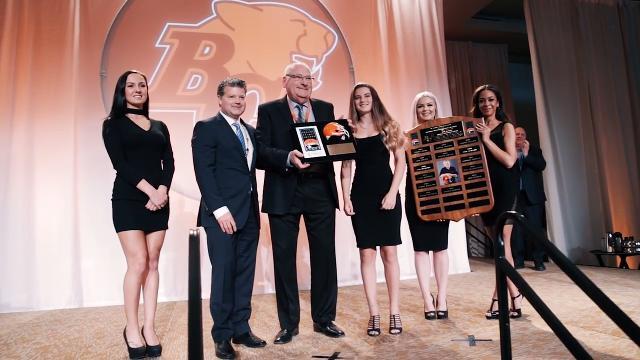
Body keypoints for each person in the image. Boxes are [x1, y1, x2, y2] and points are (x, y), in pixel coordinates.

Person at [255, 62, 344, 344]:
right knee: (284, 259)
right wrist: (287, 157)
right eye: (299, 78)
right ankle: (288, 324)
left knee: (325, 257)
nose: (305, 82)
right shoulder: (269, 110)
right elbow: (260, 152)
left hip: (320, 189)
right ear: (285, 81)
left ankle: (324, 319)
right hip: (284, 189)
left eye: (309, 78)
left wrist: (343, 136)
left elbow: (335, 148)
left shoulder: (326, 108)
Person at [192, 78, 266, 360]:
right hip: (221, 214)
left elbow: (265, 157)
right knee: (223, 275)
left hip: (248, 213)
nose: (238, 101)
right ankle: (221, 336)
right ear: (220, 99)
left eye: (242, 97)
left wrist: (288, 158)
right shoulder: (207, 128)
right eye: (232, 96)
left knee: (245, 274)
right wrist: (220, 210)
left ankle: (241, 329)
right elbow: (204, 172)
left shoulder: (248, 130)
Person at [102, 70, 174, 359]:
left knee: (153, 263)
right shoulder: (113, 124)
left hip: (159, 200)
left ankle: (149, 327)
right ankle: (131, 328)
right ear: (122, 91)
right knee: (138, 262)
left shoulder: (159, 125)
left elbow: (168, 161)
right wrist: (150, 192)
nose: (137, 89)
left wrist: (163, 190)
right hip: (129, 199)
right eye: (130, 85)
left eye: (141, 85)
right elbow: (120, 163)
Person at [340, 83, 406, 336]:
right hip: (361, 197)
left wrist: (391, 193)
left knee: (390, 253)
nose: (362, 100)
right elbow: (345, 169)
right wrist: (345, 198)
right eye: (358, 97)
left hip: (386, 195)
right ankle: (374, 314)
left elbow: (400, 163)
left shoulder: (389, 125)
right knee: (367, 255)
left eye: (367, 96)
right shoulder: (348, 130)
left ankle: (394, 312)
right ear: (354, 102)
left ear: (374, 99)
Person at [471, 84, 523, 320]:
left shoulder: (507, 127)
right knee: (498, 248)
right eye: (482, 100)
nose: (487, 104)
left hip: (505, 188)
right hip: (485, 190)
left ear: (498, 102)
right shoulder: (474, 127)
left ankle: (499, 298)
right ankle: (515, 294)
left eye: (491, 100)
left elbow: (510, 161)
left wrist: (487, 140)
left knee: (504, 246)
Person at [405, 91, 451, 321]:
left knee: (440, 248)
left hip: (442, 198)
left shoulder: (446, 135)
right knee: (421, 249)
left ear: (435, 107)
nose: (425, 109)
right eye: (421, 106)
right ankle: (426, 299)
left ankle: (441, 297)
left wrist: (449, 201)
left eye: (429, 105)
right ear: (416, 110)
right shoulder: (408, 137)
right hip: (415, 198)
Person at [512, 126, 548, 271]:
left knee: (536, 230)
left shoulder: (534, 150)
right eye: (516, 134)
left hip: (533, 197)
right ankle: (518, 261)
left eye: (522, 134)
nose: (519, 136)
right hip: (515, 197)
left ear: (525, 136)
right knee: (517, 231)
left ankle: (538, 261)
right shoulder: (508, 150)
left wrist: (526, 155)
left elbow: (541, 165)